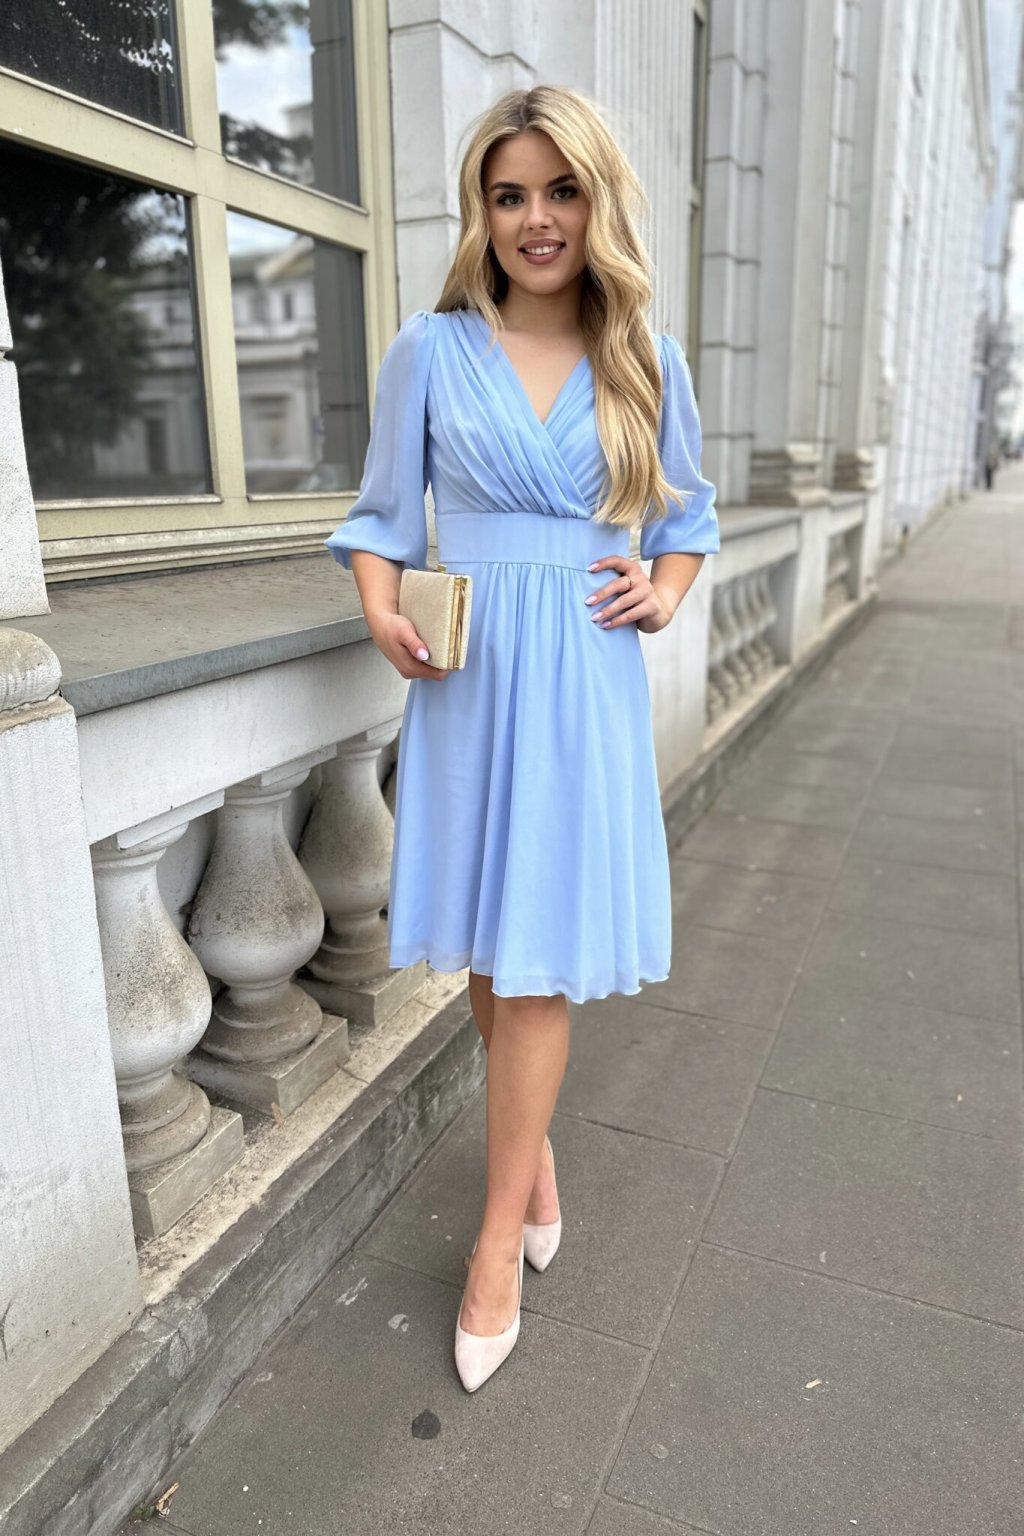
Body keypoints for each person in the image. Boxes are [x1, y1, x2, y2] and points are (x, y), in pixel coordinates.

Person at [324, 84, 719, 1393]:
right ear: (480, 212)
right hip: (471, 672)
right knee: (493, 954)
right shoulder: (429, 349)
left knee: (535, 958)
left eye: (560, 191)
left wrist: (661, 592)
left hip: (583, 678)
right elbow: (383, 516)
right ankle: (530, 1152)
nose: (536, 218)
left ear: (596, 203)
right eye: (509, 195)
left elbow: (687, 520)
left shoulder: (644, 357)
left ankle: (495, 1244)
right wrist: (382, 610)